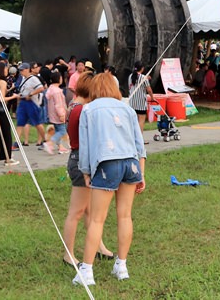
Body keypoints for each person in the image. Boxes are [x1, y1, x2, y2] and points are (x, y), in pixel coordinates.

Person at [74, 74, 147, 286]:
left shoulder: (89, 110)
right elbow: (139, 144)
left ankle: (87, 271)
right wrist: (141, 172)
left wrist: (86, 172)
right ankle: (121, 266)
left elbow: (85, 147)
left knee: (97, 219)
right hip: (130, 163)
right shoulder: (127, 108)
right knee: (125, 216)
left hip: (107, 164)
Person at [62, 74, 114, 267]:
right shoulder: (82, 110)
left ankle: (98, 245)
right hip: (80, 160)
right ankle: (68, 253)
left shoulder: (74, 106)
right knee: (76, 211)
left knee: (90, 210)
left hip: (79, 159)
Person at [16, 63, 46, 147]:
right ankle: (16, 142)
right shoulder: (22, 78)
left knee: (37, 123)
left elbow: (41, 88)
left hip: (32, 103)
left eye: (22, 70)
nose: (21, 72)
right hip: (23, 101)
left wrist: (31, 94)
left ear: (27, 69)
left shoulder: (33, 79)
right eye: (20, 70)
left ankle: (45, 140)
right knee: (20, 122)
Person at [126, 62, 153, 141]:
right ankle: (139, 139)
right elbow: (149, 89)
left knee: (133, 121)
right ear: (142, 68)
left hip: (132, 102)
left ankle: (132, 138)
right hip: (141, 103)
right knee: (141, 120)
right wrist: (152, 97)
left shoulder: (130, 76)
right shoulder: (143, 77)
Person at [45, 69, 69, 154]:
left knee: (58, 130)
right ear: (59, 79)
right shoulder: (57, 91)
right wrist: (62, 115)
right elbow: (59, 105)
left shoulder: (50, 89)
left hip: (52, 115)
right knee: (62, 131)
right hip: (58, 115)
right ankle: (50, 143)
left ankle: (60, 147)